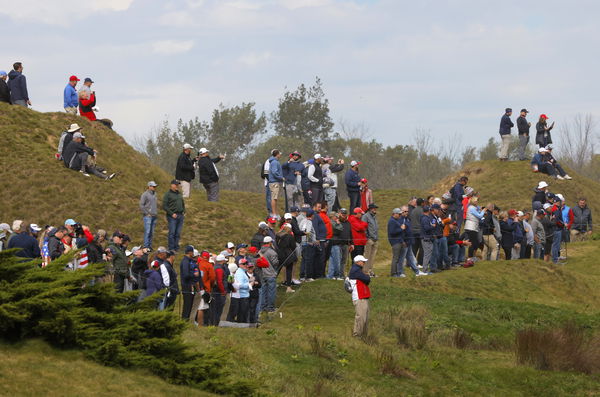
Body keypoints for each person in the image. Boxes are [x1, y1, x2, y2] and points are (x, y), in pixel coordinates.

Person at [388, 207, 426, 277]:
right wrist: (402, 236)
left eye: (407, 211)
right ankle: (399, 272)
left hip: (407, 242)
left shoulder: (405, 219)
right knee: (399, 258)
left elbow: (406, 231)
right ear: (394, 214)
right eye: (404, 212)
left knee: (410, 258)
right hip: (401, 242)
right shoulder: (396, 220)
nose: (405, 213)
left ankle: (416, 271)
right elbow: (393, 232)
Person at [348, 255, 371, 338]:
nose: (364, 263)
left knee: (364, 317)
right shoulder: (356, 270)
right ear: (358, 262)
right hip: (359, 296)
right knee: (361, 317)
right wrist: (367, 276)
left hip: (362, 296)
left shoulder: (357, 269)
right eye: (362, 261)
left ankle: (362, 335)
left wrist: (366, 276)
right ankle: (357, 335)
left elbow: (366, 280)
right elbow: (367, 279)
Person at [163, 180, 185, 252]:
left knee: (178, 233)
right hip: (172, 216)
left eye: (178, 185)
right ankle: (171, 248)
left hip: (180, 215)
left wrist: (184, 211)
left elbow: (182, 203)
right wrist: (172, 213)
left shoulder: (179, 194)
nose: (177, 186)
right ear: (172, 185)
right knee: (172, 232)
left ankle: (176, 247)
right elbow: (164, 206)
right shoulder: (167, 194)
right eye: (175, 185)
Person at [180, 245, 201, 320]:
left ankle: (186, 320)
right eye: (192, 252)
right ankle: (184, 320)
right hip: (187, 285)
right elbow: (186, 274)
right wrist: (194, 274)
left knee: (189, 304)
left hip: (188, 285)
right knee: (187, 304)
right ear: (190, 252)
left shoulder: (188, 261)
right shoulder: (185, 261)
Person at [227, 258, 251, 323]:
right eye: (244, 264)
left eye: (246, 263)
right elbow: (238, 285)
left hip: (241, 295)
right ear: (239, 265)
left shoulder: (242, 272)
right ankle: (239, 323)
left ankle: (239, 323)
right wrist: (249, 284)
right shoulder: (239, 273)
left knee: (240, 311)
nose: (246, 265)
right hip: (241, 295)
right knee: (240, 312)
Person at [276, 223, 297, 293]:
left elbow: (276, 245)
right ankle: (288, 287)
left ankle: (271, 284)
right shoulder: (290, 236)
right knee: (289, 270)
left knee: (277, 270)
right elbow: (293, 246)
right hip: (288, 254)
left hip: (279, 254)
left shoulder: (277, 235)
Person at [139, 181, 158, 250]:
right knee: (147, 231)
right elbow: (141, 205)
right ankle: (146, 246)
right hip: (148, 216)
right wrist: (146, 213)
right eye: (153, 186)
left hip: (154, 216)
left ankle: (150, 246)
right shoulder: (145, 194)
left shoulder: (155, 194)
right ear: (149, 186)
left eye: (155, 186)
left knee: (151, 232)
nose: (154, 188)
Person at [420, 205, 438, 273]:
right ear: (428, 211)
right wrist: (432, 226)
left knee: (427, 254)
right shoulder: (425, 218)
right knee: (427, 255)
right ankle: (425, 270)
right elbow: (426, 228)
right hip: (426, 238)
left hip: (426, 238)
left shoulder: (425, 217)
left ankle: (425, 270)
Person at [362, 203, 379, 277]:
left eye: (375, 208)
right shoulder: (366, 216)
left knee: (372, 256)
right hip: (369, 239)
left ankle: (370, 270)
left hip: (375, 239)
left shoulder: (374, 217)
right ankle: (365, 272)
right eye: (374, 208)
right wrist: (367, 237)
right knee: (367, 256)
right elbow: (364, 228)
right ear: (370, 209)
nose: (375, 209)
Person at [268, 150, 284, 217]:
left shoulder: (274, 162)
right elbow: (274, 172)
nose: (280, 155)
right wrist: (281, 177)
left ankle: (275, 213)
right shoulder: (274, 162)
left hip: (274, 182)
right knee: (274, 198)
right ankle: (274, 214)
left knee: (275, 198)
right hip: (274, 182)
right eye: (279, 154)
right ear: (277, 154)